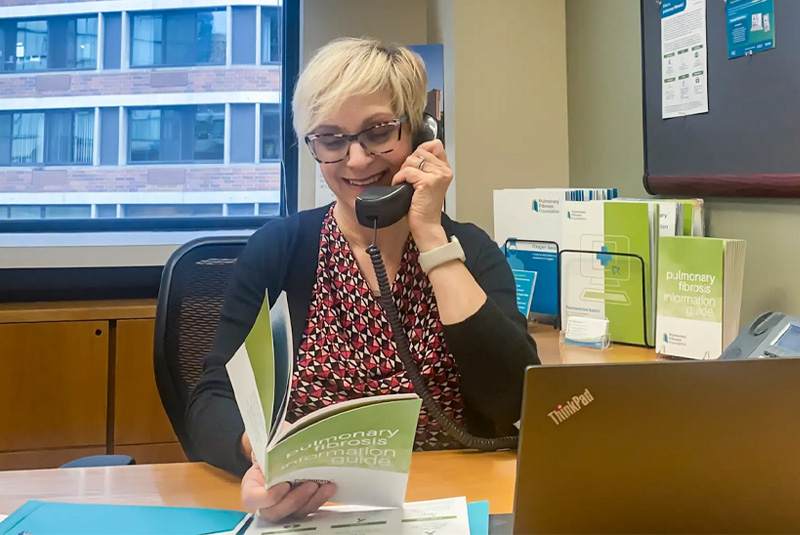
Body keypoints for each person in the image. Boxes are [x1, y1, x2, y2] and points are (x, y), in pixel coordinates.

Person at [186, 37, 540, 521]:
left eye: (377, 132)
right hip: (314, 510)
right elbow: (212, 399)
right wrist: (260, 459)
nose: (356, 161)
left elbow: (515, 401)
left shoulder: (469, 250)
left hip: (450, 505)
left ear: (419, 132)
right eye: (331, 139)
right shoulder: (280, 249)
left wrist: (433, 239)